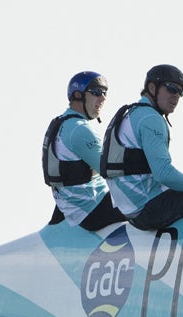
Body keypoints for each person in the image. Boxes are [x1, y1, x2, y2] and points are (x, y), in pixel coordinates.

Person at [100, 64, 183, 231]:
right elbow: (164, 175)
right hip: (147, 209)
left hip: (131, 208)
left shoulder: (133, 113)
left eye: (180, 92)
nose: (176, 96)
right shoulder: (150, 118)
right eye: (171, 89)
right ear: (152, 87)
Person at [42, 71, 126, 231]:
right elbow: (112, 171)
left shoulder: (61, 123)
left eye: (105, 93)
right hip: (93, 211)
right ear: (78, 95)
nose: (103, 98)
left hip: (74, 208)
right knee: (153, 199)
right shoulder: (79, 129)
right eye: (96, 93)